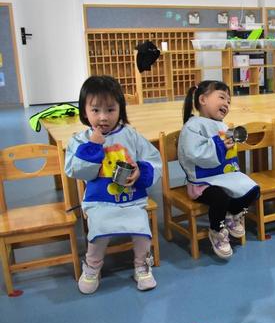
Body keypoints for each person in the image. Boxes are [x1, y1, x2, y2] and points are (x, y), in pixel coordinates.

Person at [65, 76, 162, 294]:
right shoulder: (80, 140)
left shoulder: (131, 135)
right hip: (99, 201)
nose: (103, 117)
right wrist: (93, 147)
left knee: (141, 229)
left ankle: (142, 266)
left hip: (131, 199)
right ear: (84, 111)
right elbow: (75, 170)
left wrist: (140, 170)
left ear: (120, 109)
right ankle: (92, 267)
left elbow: (154, 160)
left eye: (110, 110)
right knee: (99, 229)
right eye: (96, 110)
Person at [178, 80, 259, 259]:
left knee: (252, 190)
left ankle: (233, 215)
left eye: (229, 101)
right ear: (202, 100)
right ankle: (217, 230)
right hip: (202, 183)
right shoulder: (193, 126)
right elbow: (194, 153)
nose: (226, 103)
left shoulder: (223, 125)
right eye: (221, 97)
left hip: (224, 177)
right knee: (220, 198)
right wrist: (220, 145)